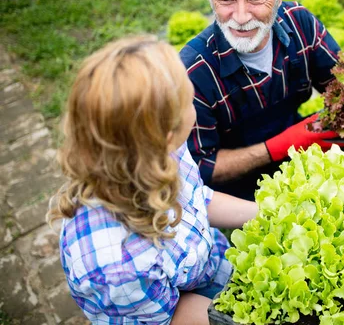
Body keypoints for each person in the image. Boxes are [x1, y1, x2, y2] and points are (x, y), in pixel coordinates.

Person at [46, 36, 258, 325]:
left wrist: (264, 214)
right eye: (188, 97)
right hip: (181, 312)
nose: (193, 95)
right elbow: (174, 319)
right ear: (166, 133)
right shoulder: (117, 266)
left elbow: (198, 198)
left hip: (204, 263)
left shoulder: (157, 150)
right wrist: (245, 312)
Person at [180, 0, 343, 200]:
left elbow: (343, 92)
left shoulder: (299, 24)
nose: (242, 17)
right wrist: (277, 147)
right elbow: (201, 167)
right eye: (226, 0)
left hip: (298, 150)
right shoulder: (192, 73)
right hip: (236, 189)